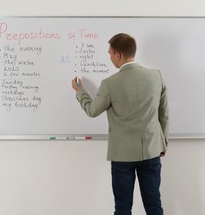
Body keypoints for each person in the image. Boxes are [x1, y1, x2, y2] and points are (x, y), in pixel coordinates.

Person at [71, 33, 169, 215]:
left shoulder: (110, 84)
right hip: (151, 150)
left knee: (123, 208)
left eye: (110, 54)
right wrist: (163, 142)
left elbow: (92, 111)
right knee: (154, 205)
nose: (109, 58)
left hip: (122, 156)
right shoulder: (156, 76)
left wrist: (80, 91)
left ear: (118, 55)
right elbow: (163, 113)